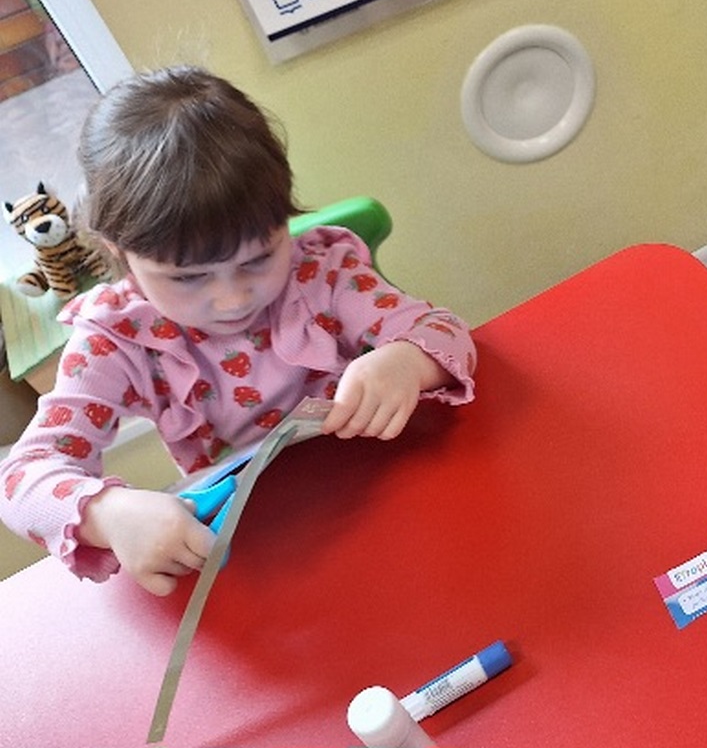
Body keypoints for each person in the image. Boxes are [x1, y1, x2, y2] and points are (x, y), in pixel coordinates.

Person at [0, 66, 477, 597]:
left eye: (258, 259)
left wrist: (407, 359)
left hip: (391, 495)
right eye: (188, 277)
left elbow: (444, 331)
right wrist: (106, 512)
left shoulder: (321, 272)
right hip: (263, 553)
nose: (232, 299)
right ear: (119, 251)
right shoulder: (117, 338)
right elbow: (21, 478)